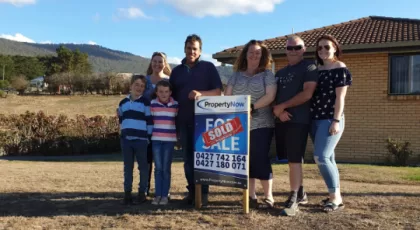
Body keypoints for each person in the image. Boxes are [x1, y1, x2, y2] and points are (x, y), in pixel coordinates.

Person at [169, 34, 222, 206]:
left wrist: (201, 94)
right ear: (184, 49)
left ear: (200, 51)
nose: (191, 51)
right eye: (189, 48)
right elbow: (171, 97)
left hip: (204, 122)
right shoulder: (176, 71)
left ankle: (203, 193)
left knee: (203, 158)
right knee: (187, 159)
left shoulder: (208, 67)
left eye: (195, 49)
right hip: (183, 121)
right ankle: (192, 192)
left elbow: (218, 92)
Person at [224, 40, 277, 209]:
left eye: (258, 53)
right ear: (245, 54)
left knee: (260, 157)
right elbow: (228, 96)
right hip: (239, 124)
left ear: (262, 56)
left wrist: (251, 107)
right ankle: (250, 196)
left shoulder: (267, 75)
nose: (254, 55)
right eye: (251, 52)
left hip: (262, 122)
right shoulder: (236, 75)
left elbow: (270, 96)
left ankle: (268, 197)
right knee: (245, 160)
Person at [273, 35, 318, 216]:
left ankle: (293, 198)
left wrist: (283, 106)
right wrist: (277, 111)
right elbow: (272, 95)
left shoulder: (309, 67)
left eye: (297, 47)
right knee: (292, 159)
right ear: (285, 50)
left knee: (294, 159)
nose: (293, 51)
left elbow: (307, 93)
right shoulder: (280, 73)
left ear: (303, 49)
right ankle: (300, 192)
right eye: (290, 48)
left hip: (299, 120)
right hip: (281, 120)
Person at [310, 34, 352, 212]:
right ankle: (335, 195)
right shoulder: (316, 70)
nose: (323, 50)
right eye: (319, 48)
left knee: (321, 156)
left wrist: (336, 121)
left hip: (330, 119)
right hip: (314, 119)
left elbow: (340, 98)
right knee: (330, 158)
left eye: (327, 47)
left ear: (335, 48)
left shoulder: (339, 68)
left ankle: (335, 199)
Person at [117, 75, 153, 205]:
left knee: (143, 167)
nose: (139, 88)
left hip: (142, 140)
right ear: (131, 86)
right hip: (126, 140)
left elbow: (149, 121)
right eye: (137, 84)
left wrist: (148, 137)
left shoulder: (145, 103)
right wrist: (123, 132)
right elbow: (121, 118)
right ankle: (127, 194)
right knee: (128, 167)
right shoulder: (123, 103)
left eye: (142, 86)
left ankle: (142, 193)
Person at [144, 52, 172, 197]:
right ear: (151, 63)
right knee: (147, 158)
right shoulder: (145, 80)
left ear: (165, 63)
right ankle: (145, 187)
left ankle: (164, 191)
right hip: (147, 124)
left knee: (164, 163)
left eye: (160, 61)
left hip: (164, 126)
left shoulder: (169, 80)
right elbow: (135, 94)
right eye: (154, 61)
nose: (157, 64)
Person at [150, 80, 179, 205]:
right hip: (156, 140)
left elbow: (178, 121)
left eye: (166, 92)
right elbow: (149, 121)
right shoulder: (152, 104)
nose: (163, 94)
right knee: (158, 169)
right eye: (161, 91)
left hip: (169, 141)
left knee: (166, 169)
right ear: (156, 92)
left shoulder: (175, 105)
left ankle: (165, 195)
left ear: (170, 92)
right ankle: (157, 195)